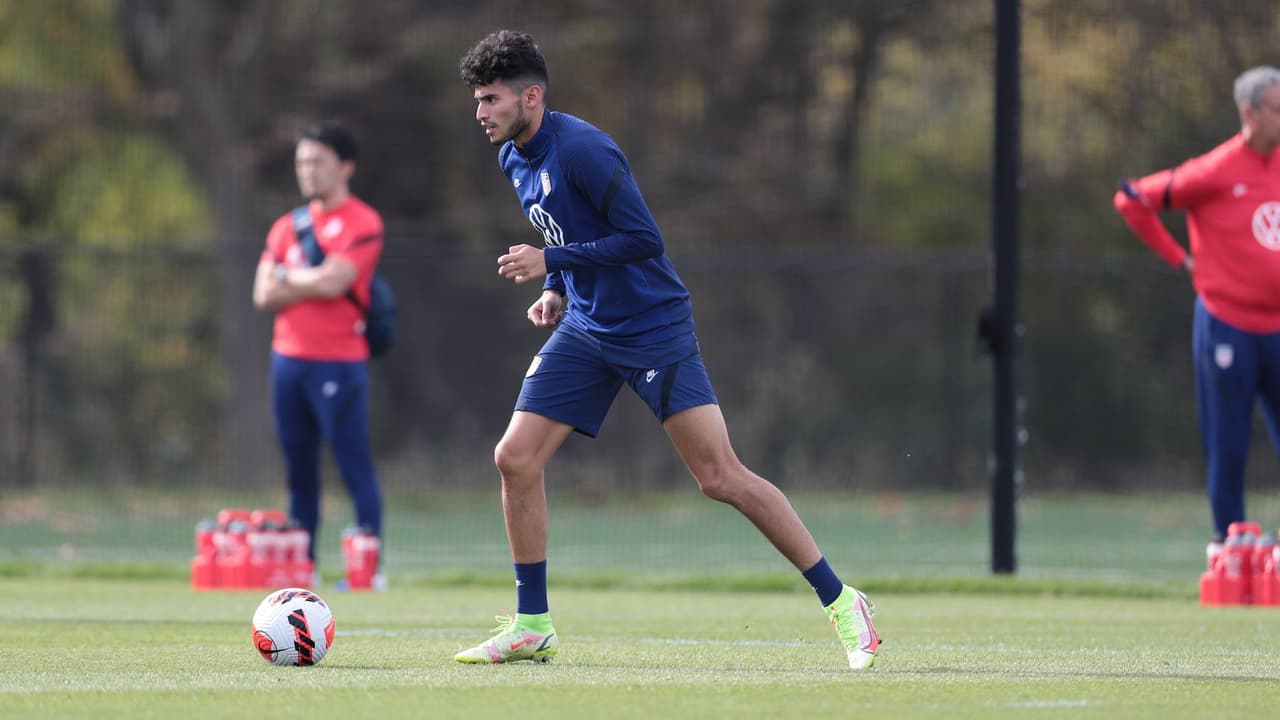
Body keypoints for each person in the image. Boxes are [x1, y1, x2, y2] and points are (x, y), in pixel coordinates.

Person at [454, 30, 880, 669]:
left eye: (490, 99)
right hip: (588, 328)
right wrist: (555, 286)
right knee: (514, 458)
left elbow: (643, 240)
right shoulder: (513, 157)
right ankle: (531, 624)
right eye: (477, 100)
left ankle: (843, 600)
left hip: (652, 326)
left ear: (531, 96)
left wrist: (552, 260)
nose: (480, 113)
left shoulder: (586, 151)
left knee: (720, 478)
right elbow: (563, 230)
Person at [1114, 66, 1280, 549]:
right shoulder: (1215, 170)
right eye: (1275, 108)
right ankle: (1229, 544)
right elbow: (1131, 200)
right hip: (1228, 325)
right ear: (1248, 114)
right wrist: (1181, 259)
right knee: (1229, 445)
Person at [252, 120, 387, 591]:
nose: (307, 172)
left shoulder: (363, 222)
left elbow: (337, 282)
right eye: (302, 162)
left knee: (352, 463)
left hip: (339, 361)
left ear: (345, 167)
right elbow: (262, 293)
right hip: (287, 360)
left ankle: (368, 571)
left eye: (318, 162)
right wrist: (304, 279)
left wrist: (290, 277)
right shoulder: (286, 225)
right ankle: (301, 567)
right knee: (298, 467)